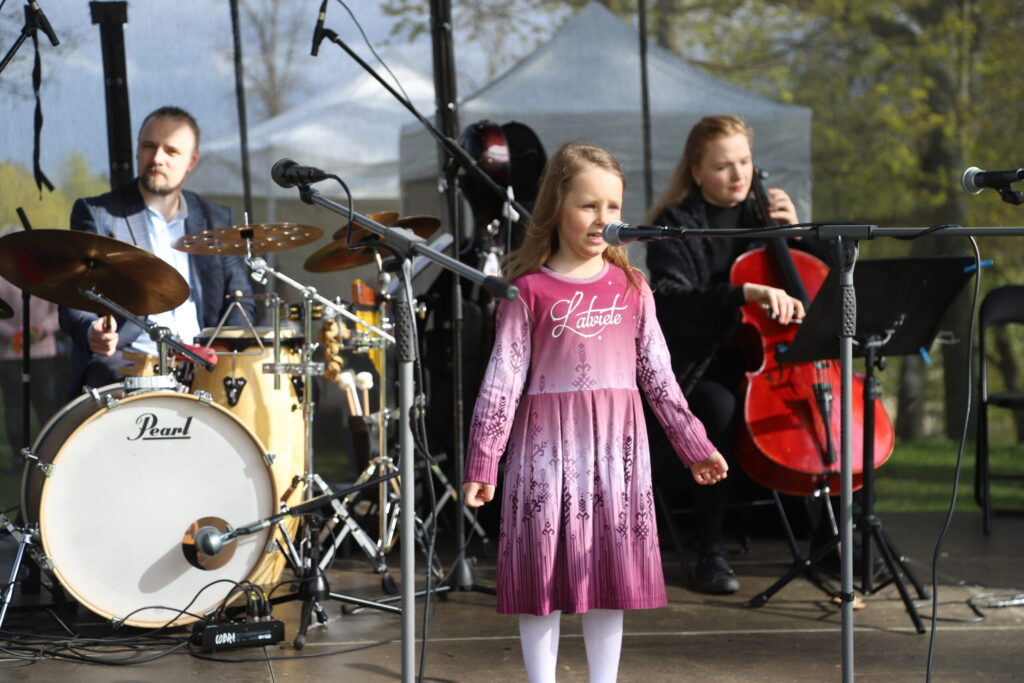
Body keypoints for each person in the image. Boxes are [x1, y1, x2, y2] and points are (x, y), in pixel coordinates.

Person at [462, 141, 729, 683]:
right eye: (588, 205)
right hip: (544, 458)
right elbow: (501, 384)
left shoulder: (633, 288)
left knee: (609, 582)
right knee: (543, 585)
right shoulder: (526, 291)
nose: (602, 218)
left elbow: (659, 377)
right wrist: (483, 461)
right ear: (556, 207)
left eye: (612, 207)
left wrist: (693, 443)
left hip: (616, 459)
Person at [644, 114, 834, 594]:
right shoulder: (675, 225)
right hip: (702, 363)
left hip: (773, 361)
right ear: (696, 172)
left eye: (745, 161)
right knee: (718, 407)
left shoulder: (765, 216)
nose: (739, 174)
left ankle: (833, 540)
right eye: (724, 166)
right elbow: (672, 303)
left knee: (830, 404)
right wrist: (741, 292)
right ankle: (711, 549)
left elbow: (829, 283)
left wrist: (802, 236)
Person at [59, 106, 254, 395]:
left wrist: (221, 354)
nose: (157, 158)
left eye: (171, 151)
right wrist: (92, 332)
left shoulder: (215, 220)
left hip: (202, 365)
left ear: (192, 161)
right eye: (149, 146)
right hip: (128, 365)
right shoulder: (99, 213)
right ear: (138, 151)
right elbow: (73, 297)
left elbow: (243, 302)